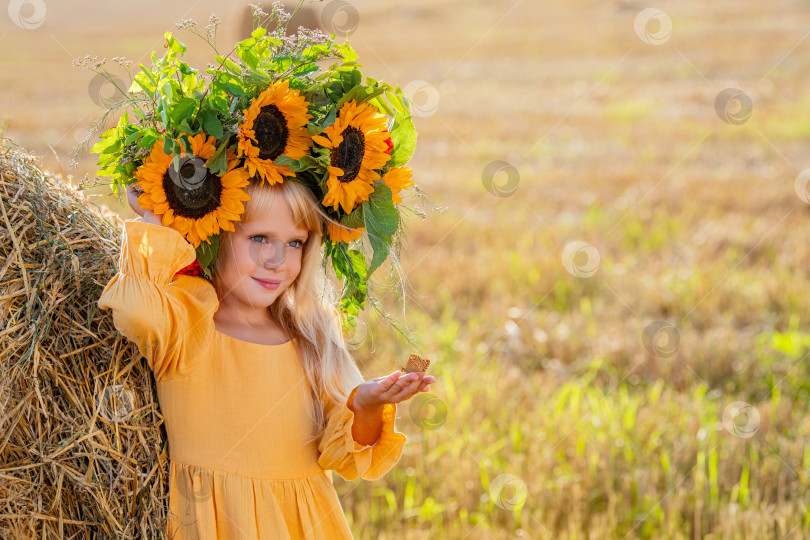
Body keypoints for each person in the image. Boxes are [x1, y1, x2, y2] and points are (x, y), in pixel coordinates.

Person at [97, 179, 436, 539]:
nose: (277, 261)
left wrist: (366, 404)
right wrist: (156, 218)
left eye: (294, 243)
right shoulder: (189, 319)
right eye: (259, 238)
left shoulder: (312, 331)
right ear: (216, 236)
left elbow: (343, 455)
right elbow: (135, 313)